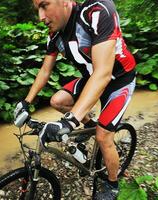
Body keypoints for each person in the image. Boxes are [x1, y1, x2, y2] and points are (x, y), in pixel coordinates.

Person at [14, 0, 136, 199]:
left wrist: (69, 121)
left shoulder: (97, 11)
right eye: (38, 9)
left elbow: (103, 74)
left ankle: (112, 184)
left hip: (118, 80)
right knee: (57, 101)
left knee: (104, 137)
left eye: (45, 5)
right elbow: (45, 70)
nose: (41, 17)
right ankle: (90, 124)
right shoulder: (55, 35)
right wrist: (26, 102)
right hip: (91, 78)